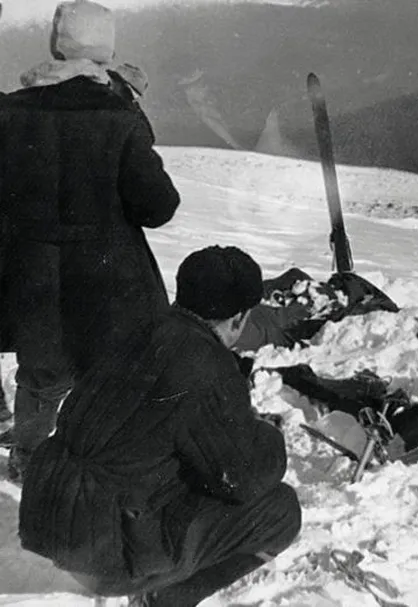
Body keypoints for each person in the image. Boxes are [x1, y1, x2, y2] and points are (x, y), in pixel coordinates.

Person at [19, 245, 301, 607]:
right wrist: (268, 435)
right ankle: (166, 599)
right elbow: (242, 479)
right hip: (102, 552)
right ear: (239, 318)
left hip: (48, 515)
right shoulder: (205, 363)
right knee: (280, 511)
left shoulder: (135, 329)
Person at [0, 0, 180, 479]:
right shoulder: (119, 115)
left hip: (31, 275)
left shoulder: (8, 112)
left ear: (55, 45)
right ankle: (101, 463)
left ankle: (28, 461)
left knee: (39, 375)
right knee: (108, 374)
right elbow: (158, 207)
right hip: (107, 277)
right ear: (108, 50)